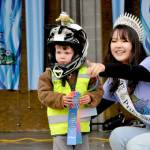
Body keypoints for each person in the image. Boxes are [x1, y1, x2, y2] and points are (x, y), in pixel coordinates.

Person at [37, 12, 103, 150]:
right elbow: (43, 94)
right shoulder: (48, 74)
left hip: (82, 128)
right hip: (60, 129)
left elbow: (98, 90)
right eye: (58, 52)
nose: (61, 56)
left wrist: (90, 98)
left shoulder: (88, 71)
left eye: (66, 53)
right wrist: (61, 99)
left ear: (77, 54)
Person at [87, 13, 150, 150]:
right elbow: (95, 109)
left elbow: (134, 72)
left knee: (136, 144)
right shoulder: (113, 82)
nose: (118, 45)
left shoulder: (147, 64)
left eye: (124, 41)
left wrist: (103, 68)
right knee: (117, 135)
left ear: (135, 44)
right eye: (114, 41)